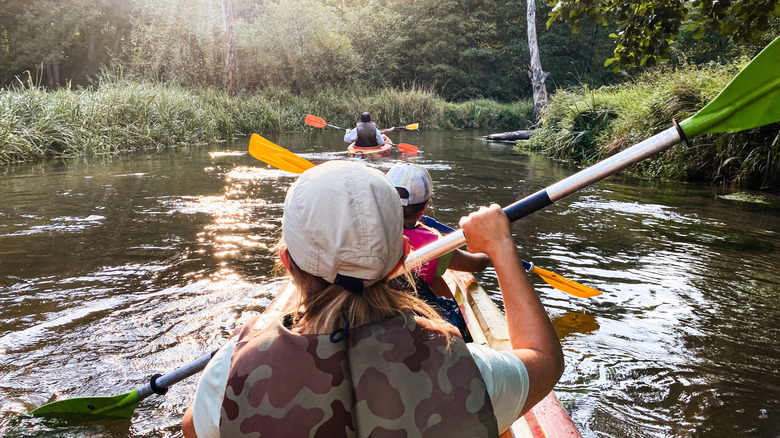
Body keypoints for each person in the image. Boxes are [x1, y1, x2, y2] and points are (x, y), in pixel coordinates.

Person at [182, 160, 563, 437]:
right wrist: (501, 246)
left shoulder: (232, 371)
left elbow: (192, 429)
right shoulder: (467, 367)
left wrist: (245, 345)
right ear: (402, 257)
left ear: (287, 264)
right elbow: (545, 361)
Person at [386, 162, 489, 300]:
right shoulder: (436, 247)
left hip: (377, 308)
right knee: (436, 281)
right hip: (413, 310)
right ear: (425, 206)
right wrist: (488, 246)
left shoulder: (366, 232)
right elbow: (479, 263)